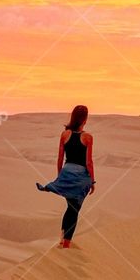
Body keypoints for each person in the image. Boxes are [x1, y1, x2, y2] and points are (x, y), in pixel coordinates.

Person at [35, 105, 95, 248]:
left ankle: (63, 239)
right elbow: (89, 162)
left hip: (66, 173)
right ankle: (66, 244)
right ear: (85, 119)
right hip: (80, 177)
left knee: (70, 207)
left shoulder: (65, 134)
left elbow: (60, 158)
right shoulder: (88, 137)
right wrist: (92, 181)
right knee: (74, 210)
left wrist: (60, 178)